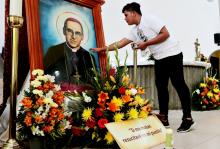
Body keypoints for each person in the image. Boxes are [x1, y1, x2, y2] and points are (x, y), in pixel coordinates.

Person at [91, 2, 195, 132]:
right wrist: (102, 49)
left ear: (134, 13)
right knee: (161, 87)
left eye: (126, 15)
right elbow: (121, 43)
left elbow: (165, 34)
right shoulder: (134, 30)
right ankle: (164, 118)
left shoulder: (149, 19)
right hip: (159, 58)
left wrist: (145, 44)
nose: (125, 18)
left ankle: (188, 118)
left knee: (178, 84)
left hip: (172, 53)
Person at [44, 17, 95, 85]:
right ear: (64, 31)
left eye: (77, 33)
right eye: (70, 31)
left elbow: (94, 82)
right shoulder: (53, 51)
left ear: (82, 36)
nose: (73, 37)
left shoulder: (89, 57)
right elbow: (45, 77)